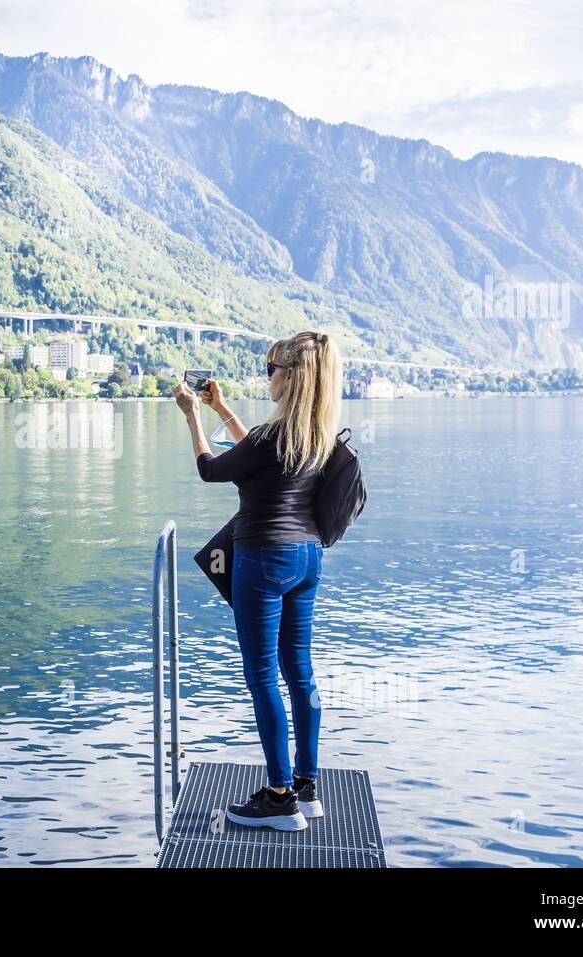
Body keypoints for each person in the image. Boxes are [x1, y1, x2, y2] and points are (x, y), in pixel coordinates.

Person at [173, 331, 342, 830]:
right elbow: (256, 453)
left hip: (264, 560)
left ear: (289, 376)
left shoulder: (275, 437)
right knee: (300, 672)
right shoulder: (315, 434)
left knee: (263, 676)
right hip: (308, 559)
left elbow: (211, 469)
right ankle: (307, 785)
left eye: (271, 370)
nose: (266, 378)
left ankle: (278, 798)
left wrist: (192, 416)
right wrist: (223, 409)